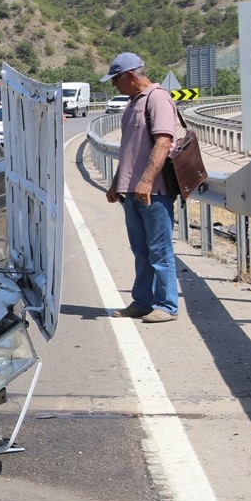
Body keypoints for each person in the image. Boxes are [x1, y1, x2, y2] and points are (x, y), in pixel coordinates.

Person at [101, 52, 181, 324]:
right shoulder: (133, 102)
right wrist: (117, 183)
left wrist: (146, 180)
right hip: (132, 191)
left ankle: (167, 305)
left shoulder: (158, 99)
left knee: (160, 250)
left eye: (116, 80)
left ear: (131, 76)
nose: (114, 85)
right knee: (141, 251)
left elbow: (163, 142)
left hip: (153, 191)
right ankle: (143, 302)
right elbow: (130, 150)